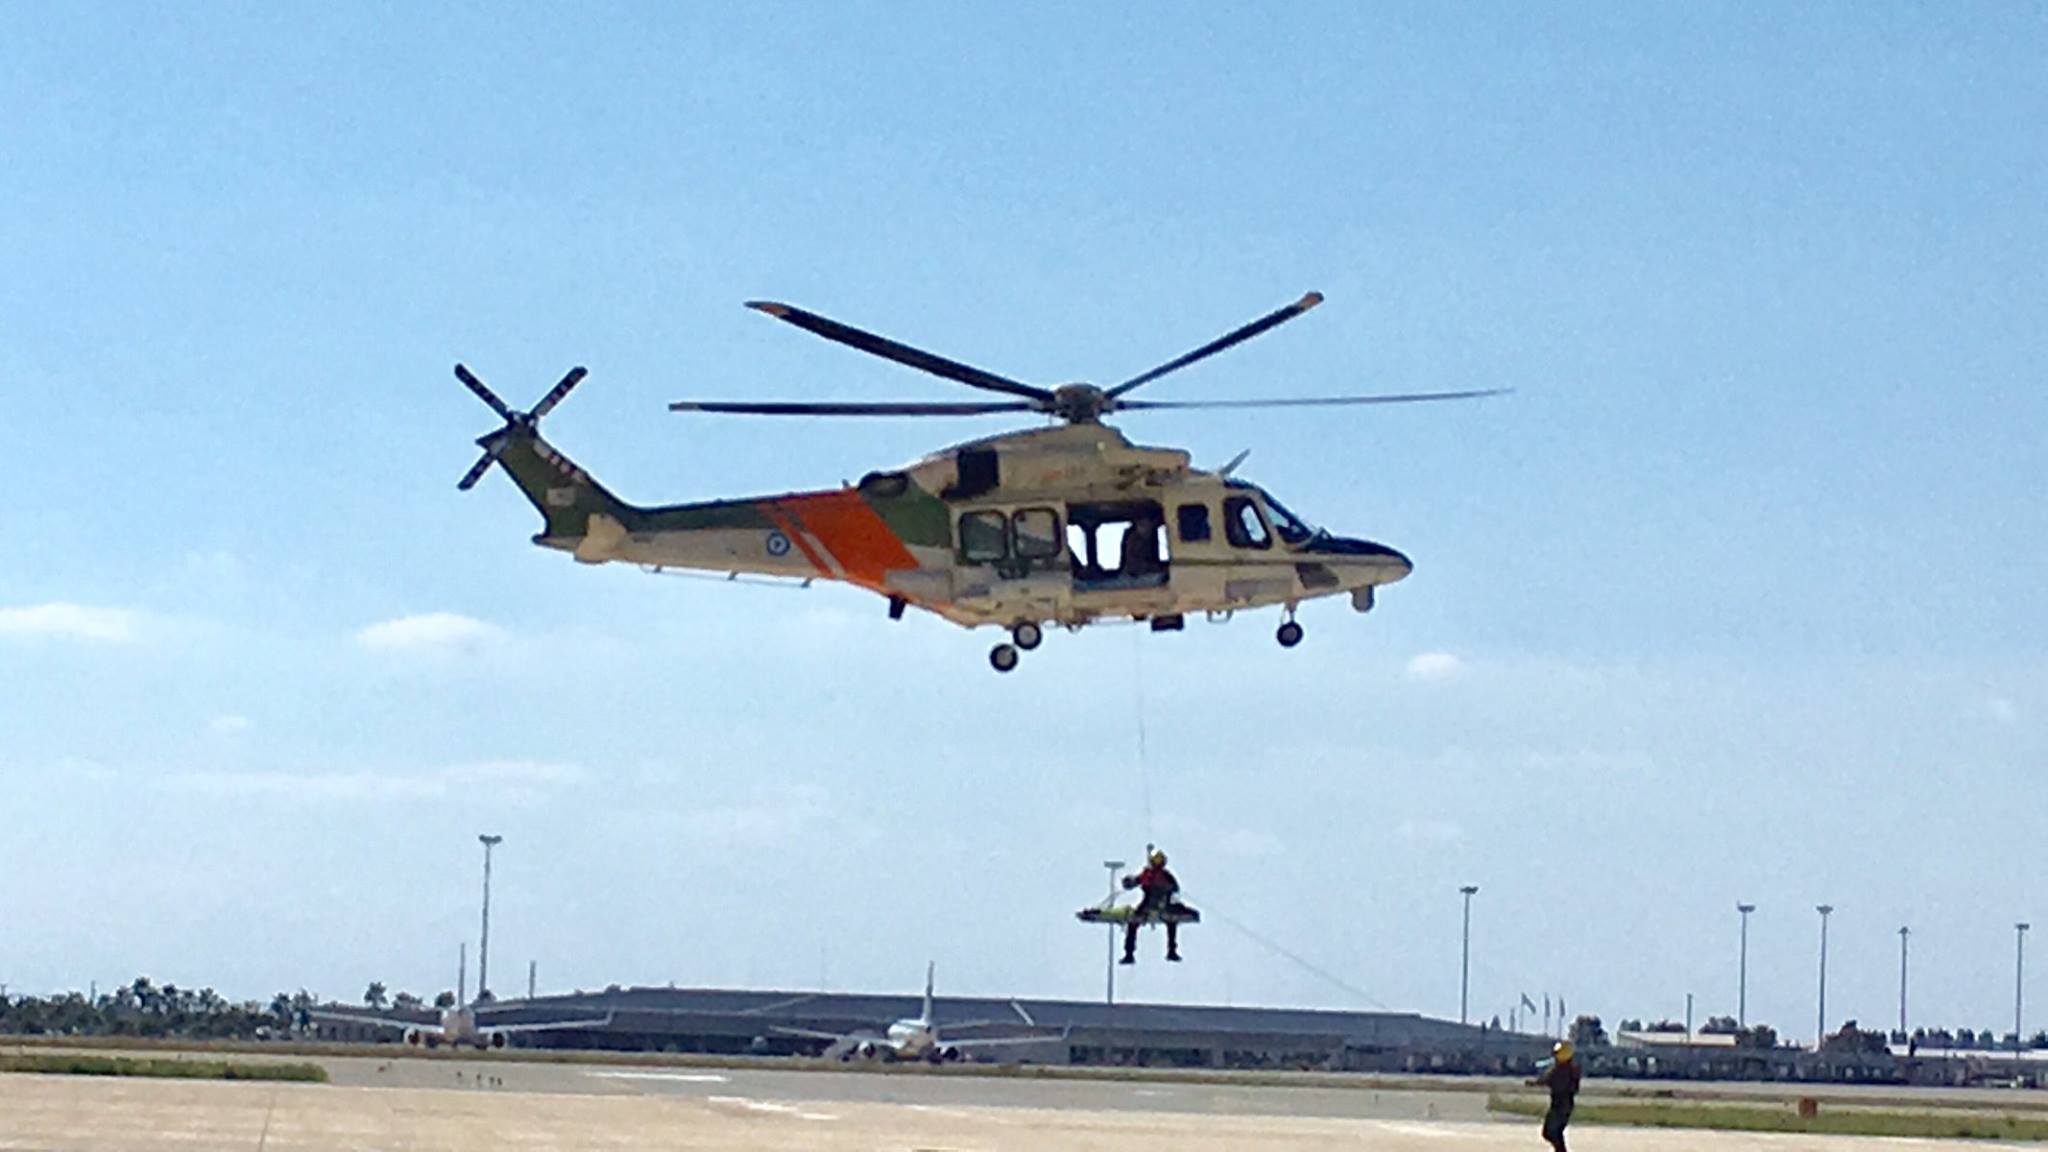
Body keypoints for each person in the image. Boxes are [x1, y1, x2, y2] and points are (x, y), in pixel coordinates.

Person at [1120, 848, 1181, 964]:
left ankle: (1129, 954)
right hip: (1159, 904)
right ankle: (1171, 951)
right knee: (1171, 922)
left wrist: (1130, 882)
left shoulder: (1153, 874)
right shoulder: (1158, 875)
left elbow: (1134, 882)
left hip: (1150, 904)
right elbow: (1176, 888)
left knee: (1133, 923)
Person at [1527, 1040, 1581, 1151]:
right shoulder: (1569, 1069)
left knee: (1550, 1132)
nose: (1555, 1057)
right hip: (1564, 1105)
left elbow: (1549, 1079)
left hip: (1560, 1106)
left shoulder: (1563, 1070)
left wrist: (1535, 1083)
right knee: (1555, 1132)